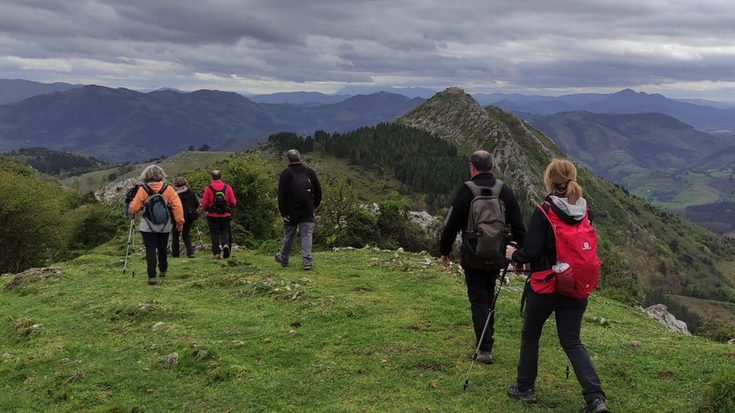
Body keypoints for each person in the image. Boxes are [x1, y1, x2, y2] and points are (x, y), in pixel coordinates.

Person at [505, 159, 609, 413]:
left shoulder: (543, 211)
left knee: (531, 334)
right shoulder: (585, 211)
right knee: (572, 342)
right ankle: (595, 399)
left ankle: (525, 388)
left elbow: (530, 251)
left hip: (545, 287)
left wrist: (512, 255)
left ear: (550, 181)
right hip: (575, 287)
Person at [440, 150, 526, 364]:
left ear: (472, 167)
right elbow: (519, 228)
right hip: (497, 256)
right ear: (492, 166)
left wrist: (445, 250)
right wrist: (519, 257)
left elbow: (451, 226)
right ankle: (486, 341)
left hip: (472, 255)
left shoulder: (466, 191)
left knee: (478, 298)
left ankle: (484, 347)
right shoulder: (504, 191)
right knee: (488, 295)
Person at [128, 165, 184, 286]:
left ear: (146, 176)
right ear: (161, 175)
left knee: (150, 249)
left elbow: (135, 208)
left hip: (147, 226)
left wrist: (131, 207)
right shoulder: (168, 189)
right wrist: (180, 221)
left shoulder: (143, 189)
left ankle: (151, 276)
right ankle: (163, 269)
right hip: (164, 225)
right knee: (162, 248)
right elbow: (177, 206)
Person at [275, 149, 322, 270]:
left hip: (291, 211)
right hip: (307, 209)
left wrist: (283, 212)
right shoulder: (309, 172)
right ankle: (307, 262)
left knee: (289, 234)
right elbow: (318, 190)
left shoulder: (286, 173)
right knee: (306, 235)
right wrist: (315, 205)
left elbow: (282, 195)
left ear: (288, 160)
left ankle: (284, 258)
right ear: (300, 158)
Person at [202, 170, 237, 259]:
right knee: (225, 231)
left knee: (214, 234)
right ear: (221, 177)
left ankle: (216, 254)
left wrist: (207, 209)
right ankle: (225, 244)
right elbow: (233, 202)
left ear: (211, 178)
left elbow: (205, 204)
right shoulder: (227, 187)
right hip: (225, 215)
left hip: (212, 215)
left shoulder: (208, 188)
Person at [171, 176, 199, 259]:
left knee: (175, 235)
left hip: (177, 217)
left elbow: (172, 206)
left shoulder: (175, 195)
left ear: (175, 184)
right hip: (190, 216)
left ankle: (176, 255)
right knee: (186, 235)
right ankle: (190, 253)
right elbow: (196, 204)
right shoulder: (191, 192)